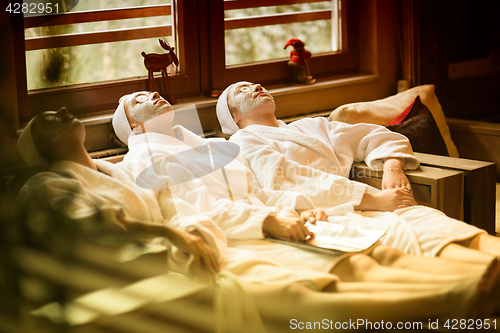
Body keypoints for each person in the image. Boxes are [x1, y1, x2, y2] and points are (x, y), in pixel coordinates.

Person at [110, 90, 500, 318]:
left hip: (289, 215)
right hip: (246, 234)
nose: (153, 95)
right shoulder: (148, 157)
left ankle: (471, 284)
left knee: (405, 236)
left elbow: (262, 193)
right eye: (139, 100)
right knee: (360, 260)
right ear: (134, 127)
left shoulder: (204, 147)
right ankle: (458, 299)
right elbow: (201, 212)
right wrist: (273, 220)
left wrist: (298, 209)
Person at [217, 81, 500, 265]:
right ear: (234, 117)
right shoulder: (243, 142)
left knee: (445, 226)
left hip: (374, 201)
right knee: (438, 248)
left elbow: (373, 135)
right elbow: (291, 182)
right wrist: (372, 200)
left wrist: (392, 166)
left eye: (256, 84)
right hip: (326, 215)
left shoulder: (310, 127)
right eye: (241, 91)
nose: (255, 86)